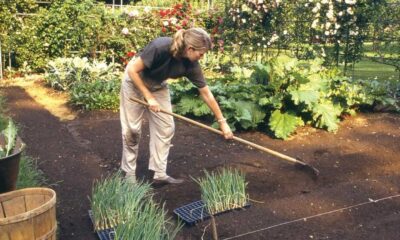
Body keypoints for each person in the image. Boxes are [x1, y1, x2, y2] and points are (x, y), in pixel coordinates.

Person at [120, 27, 233, 184]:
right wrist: (148, 97)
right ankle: (129, 175)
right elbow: (132, 70)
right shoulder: (160, 47)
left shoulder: (191, 65)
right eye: (201, 53)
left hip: (158, 85)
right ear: (190, 49)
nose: (202, 57)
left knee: (166, 127)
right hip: (135, 81)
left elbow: (206, 93)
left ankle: (159, 174)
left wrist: (223, 122)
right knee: (132, 130)